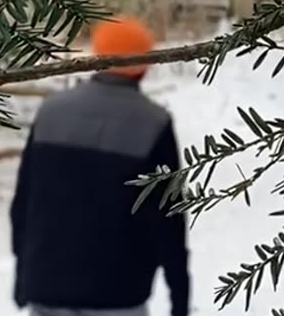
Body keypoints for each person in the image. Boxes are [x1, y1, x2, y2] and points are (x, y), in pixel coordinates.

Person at [10, 16, 189, 316]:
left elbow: (24, 204)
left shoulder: (51, 112)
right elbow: (167, 221)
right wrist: (180, 298)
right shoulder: (153, 123)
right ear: (145, 65)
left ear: (96, 57)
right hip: (117, 292)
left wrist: (23, 277)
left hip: (47, 287)